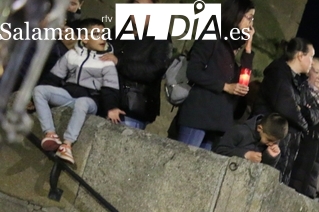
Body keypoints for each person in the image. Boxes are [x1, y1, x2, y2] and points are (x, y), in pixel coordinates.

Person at [33, 18, 124, 164]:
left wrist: (111, 108)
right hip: (69, 95)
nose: (102, 38)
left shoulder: (107, 61)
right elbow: (53, 77)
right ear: (84, 38)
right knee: (39, 90)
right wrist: (33, 101)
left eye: (104, 34)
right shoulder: (72, 55)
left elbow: (111, 88)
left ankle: (67, 145)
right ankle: (50, 134)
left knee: (82, 102)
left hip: (91, 101)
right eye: (96, 34)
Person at [175, 0, 254, 150]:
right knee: (184, 158)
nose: (251, 24)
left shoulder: (235, 44)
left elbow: (243, 79)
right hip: (199, 114)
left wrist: (248, 48)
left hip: (218, 120)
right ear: (236, 15)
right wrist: (225, 86)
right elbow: (193, 71)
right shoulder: (212, 36)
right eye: (249, 18)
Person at [254, 37, 314, 184]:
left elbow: (308, 109)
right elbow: (287, 106)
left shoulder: (299, 83)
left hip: (285, 146)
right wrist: (304, 124)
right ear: (300, 56)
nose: (312, 62)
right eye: (311, 56)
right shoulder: (278, 73)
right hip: (270, 143)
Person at [108, 1, 172, 130]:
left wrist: (119, 63)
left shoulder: (160, 37)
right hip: (106, 100)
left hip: (133, 107)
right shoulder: (117, 31)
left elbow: (154, 70)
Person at [288, 57, 319, 198]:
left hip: (313, 160)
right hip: (299, 150)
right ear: (308, 70)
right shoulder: (301, 91)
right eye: (316, 72)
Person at [214, 113, 287, 167]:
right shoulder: (239, 131)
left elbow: (265, 172)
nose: (271, 144)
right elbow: (220, 150)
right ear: (259, 128)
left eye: (276, 141)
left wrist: (271, 157)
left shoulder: (271, 143)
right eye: (269, 140)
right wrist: (245, 155)